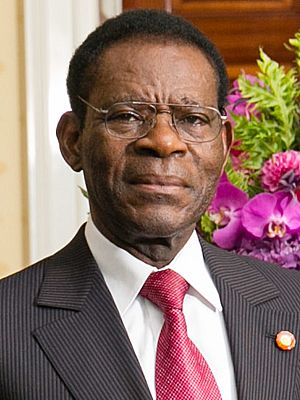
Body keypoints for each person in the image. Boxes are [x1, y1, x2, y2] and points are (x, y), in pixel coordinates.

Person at [1, 9, 300, 400]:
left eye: (192, 119)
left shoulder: (292, 302)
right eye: (127, 116)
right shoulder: (8, 327)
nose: (163, 141)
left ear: (224, 145)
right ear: (73, 140)